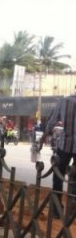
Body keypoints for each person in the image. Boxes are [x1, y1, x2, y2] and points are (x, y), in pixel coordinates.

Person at [40, 87, 76, 216]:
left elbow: (52, 121)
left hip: (64, 145)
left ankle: (56, 209)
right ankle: (73, 209)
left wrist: (43, 137)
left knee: (58, 175)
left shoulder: (63, 101)